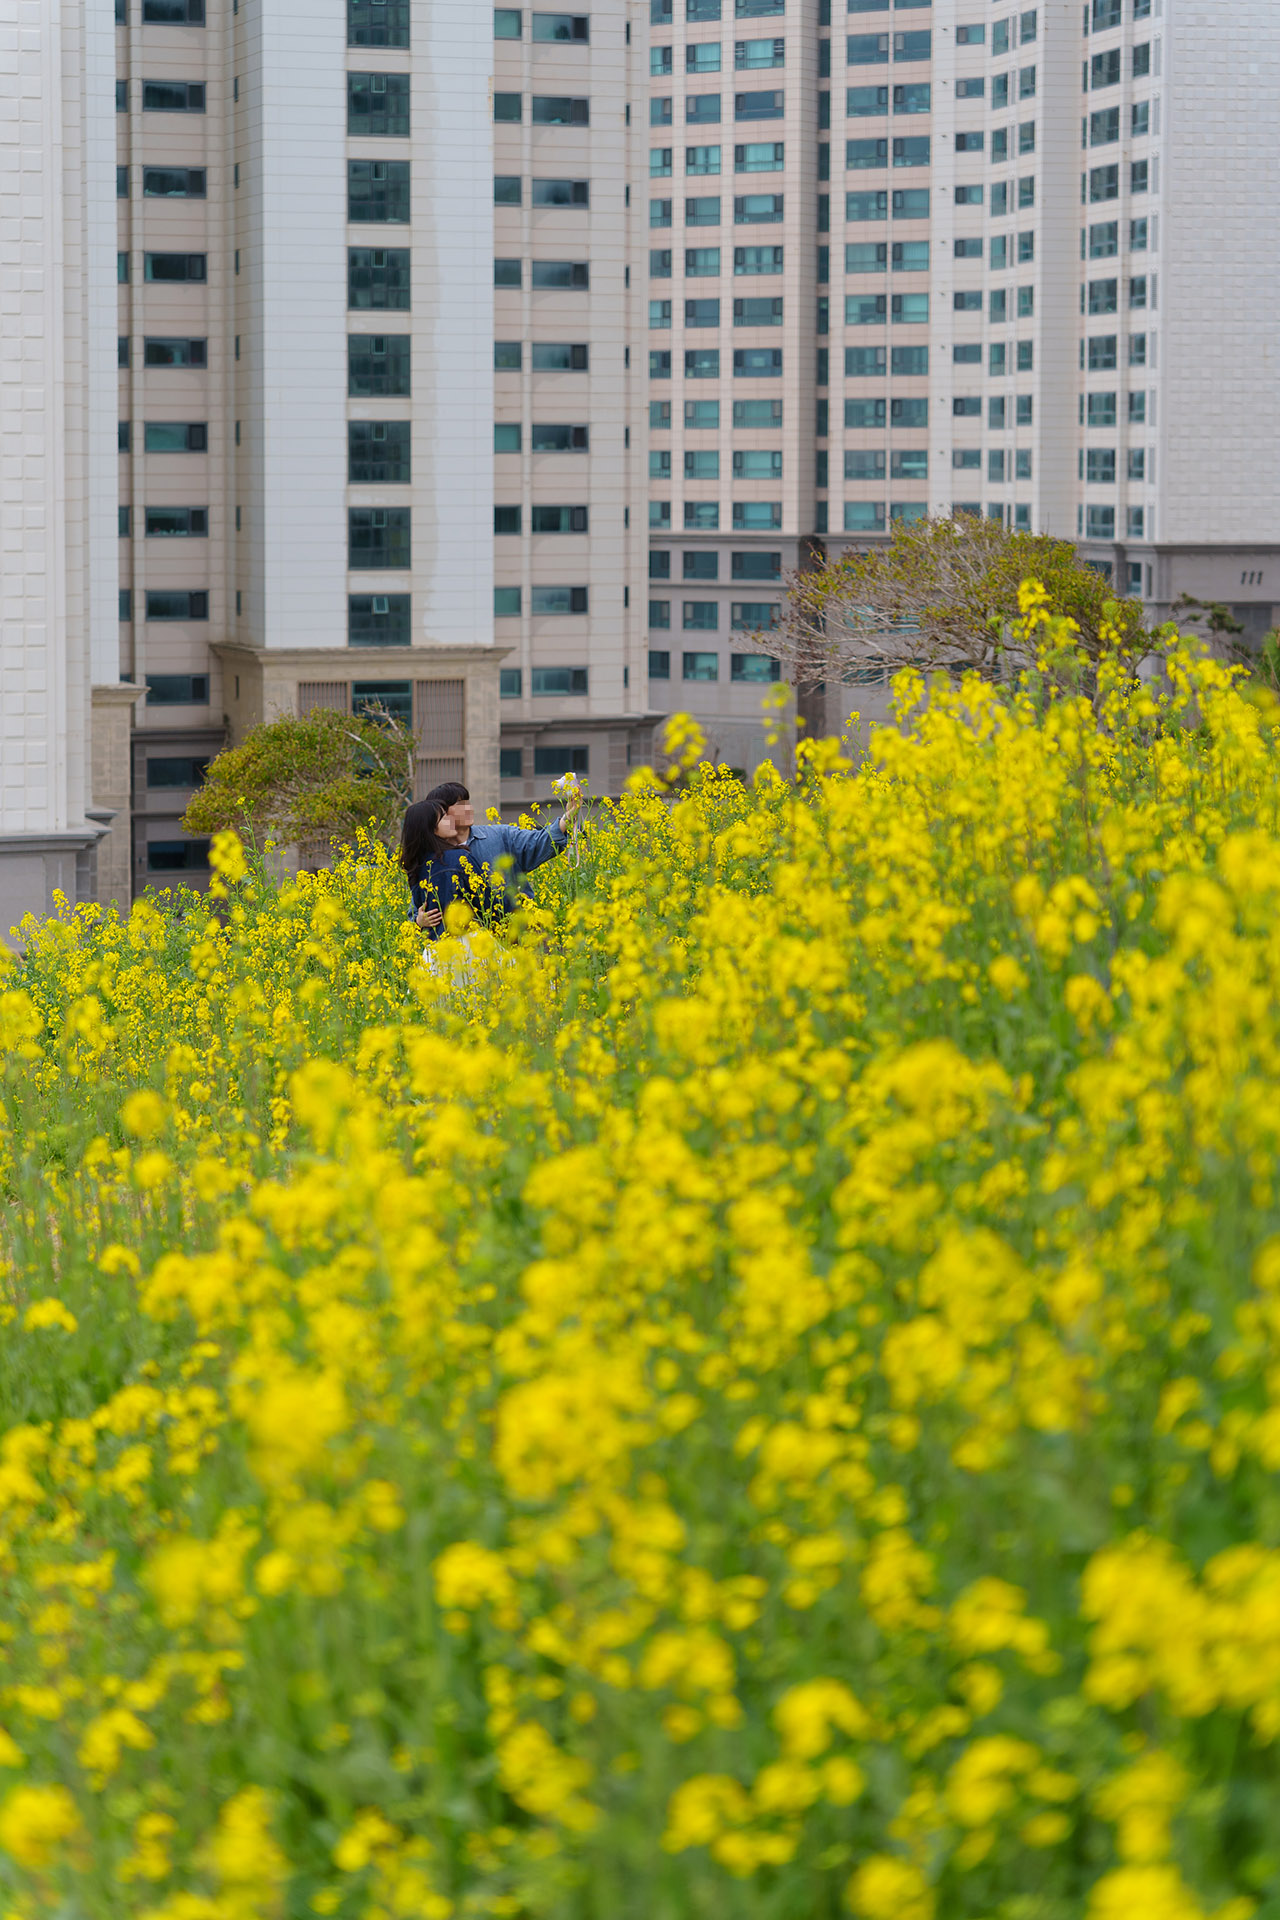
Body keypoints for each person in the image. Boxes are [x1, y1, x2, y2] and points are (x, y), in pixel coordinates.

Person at [399, 780, 582, 940]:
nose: (469, 808)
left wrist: (569, 816)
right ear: (441, 812)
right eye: (460, 804)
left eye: (468, 802)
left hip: (522, 933)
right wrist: (418, 920)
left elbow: (539, 842)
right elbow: (419, 906)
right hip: (476, 950)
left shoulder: (499, 835)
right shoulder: (435, 860)